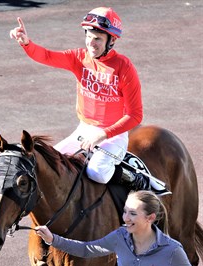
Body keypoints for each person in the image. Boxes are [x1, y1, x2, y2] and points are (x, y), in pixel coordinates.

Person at [10, 7, 150, 190]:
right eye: (88, 37)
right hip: (84, 129)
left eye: (98, 38)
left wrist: (104, 134)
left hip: (113, 135)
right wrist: (26, 43)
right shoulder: (79, 58)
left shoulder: (124, 68)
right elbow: (46, 56)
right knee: (50, 166)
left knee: (97, 172)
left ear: (112, 40)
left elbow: (135, 115)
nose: (91, 43)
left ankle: (133, 177)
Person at [35, 190, 201, 266]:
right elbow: (87, 249)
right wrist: (53, 239)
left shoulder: (171, 250)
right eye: (125, 211)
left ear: (150, 218)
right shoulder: (120, 237)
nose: (125, 218)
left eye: (133, 214)